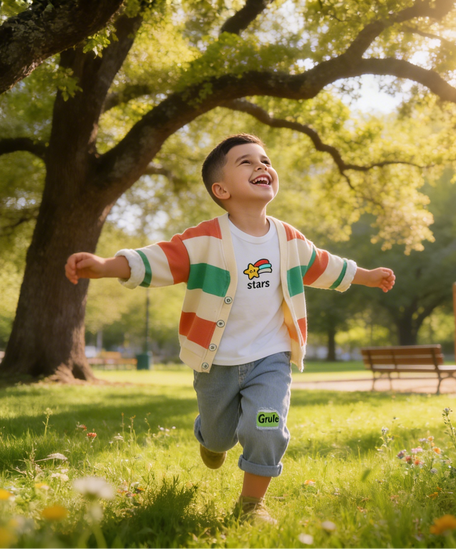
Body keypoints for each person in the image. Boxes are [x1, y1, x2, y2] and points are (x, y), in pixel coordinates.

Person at [65, 134, 395, 525]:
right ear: (221, 189)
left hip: (271, 359)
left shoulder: (288, 239)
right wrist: (106, 266)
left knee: (266, 425)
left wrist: (367, 275)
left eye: (265, 160)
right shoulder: (205, 239)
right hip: (216, 363)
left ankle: (252, 504)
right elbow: (156, 260)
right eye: (246, 162)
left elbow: (325, 265)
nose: (262, 166)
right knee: (220, 435)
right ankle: (210, 436)